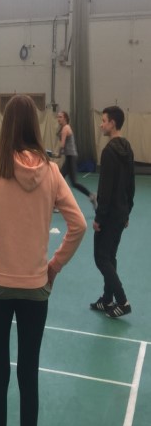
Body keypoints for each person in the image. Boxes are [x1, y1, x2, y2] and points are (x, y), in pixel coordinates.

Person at [0, 94, 86, 426]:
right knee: (28, 373)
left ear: (6, 126)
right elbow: (78, 225)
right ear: (34, 125)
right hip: (36, 288)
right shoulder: (51, 172)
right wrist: (54, 265)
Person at [90, 106, 135, 318]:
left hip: (109, 216)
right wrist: (127, 211)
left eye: (104, 120)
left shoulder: (109, 152)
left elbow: (105, 191)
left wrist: (99, 218)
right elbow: (131, 185)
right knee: (110, 255)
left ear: (113, 123)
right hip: (120, 214)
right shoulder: (127, 147)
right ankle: (107, 299)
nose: (101, 124)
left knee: (101, 257)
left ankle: (122, 301)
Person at [56, 111, 97, 209]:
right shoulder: (63, 128)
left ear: (65, 118)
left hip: (71, 157)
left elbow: (62, 145)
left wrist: (58, 154)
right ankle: (57, 203)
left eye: (60, 117)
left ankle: (91, 196)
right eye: (58, 117)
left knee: (70, 181)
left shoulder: (65, 128)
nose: (58, 119)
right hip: (69, 157)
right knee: (60, 179)